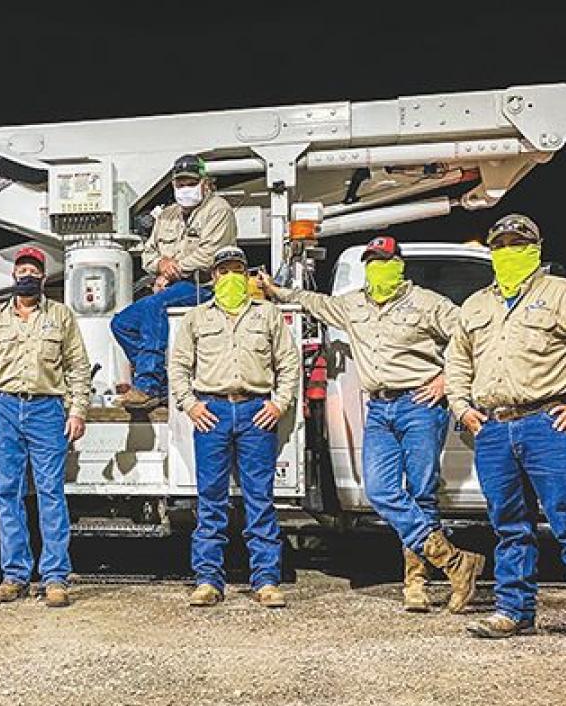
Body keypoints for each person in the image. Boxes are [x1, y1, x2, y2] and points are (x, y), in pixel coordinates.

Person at [259, 236, 484, 614]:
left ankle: (417, 584)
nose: (378, 268)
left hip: (420, 405)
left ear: (398, 264)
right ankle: (455, 561)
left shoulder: (428, 303)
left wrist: (445, 381)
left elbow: (471, 339)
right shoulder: (354, 304)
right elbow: (315, 303)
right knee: (379, 491)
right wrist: (274, 289)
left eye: (384, 261)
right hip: (379, 408)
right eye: (372, 262)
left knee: (421, 493)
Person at [444, 214, 566, 649]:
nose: (508, 250)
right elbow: (457, 361)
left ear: (537, 248)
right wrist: (462, 407)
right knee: (508, 526)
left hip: (548, 424)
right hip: (494, 429)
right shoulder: (476, 305)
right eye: (500, 244)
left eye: (518, 243)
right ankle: (513, 611)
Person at [169, 246, 300, 608]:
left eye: (236, 270)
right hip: (212, 412)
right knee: (211, 499)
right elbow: (178, 366)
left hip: (255, 411)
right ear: (213, 277)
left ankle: (266, 581)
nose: (230, 277)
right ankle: (209, 580)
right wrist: (191, 405)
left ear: (246, 276)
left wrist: (278, 403)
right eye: (223, 270)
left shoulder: (268, 314)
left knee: (260, 499)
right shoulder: (196, 318)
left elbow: (289, 364)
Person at [0, 247, 91, 607]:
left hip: (47, 410)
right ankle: (15, 576)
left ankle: (55, 577)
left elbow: (77, 366)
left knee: (51, 494)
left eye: (34, 270)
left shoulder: (61, 316)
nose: (27, 275)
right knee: (7, 494)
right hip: (4, 406)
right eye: (22, 269)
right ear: (13, 276)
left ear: (43, 277)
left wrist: (77, 410)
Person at [112, 154, 237, 409]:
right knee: (122, 323)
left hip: (205, 286)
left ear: (205, 183)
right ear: (173, 185)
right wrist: (160, 265)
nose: (185, 188)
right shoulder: (167, 215)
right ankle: (162, 382)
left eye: (191, 182)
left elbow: (210, 254)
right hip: (175, 285)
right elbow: (148, 252)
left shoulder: (219, 210)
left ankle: (147, 385)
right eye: (180, 184)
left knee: (154, 306)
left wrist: (172, 269)